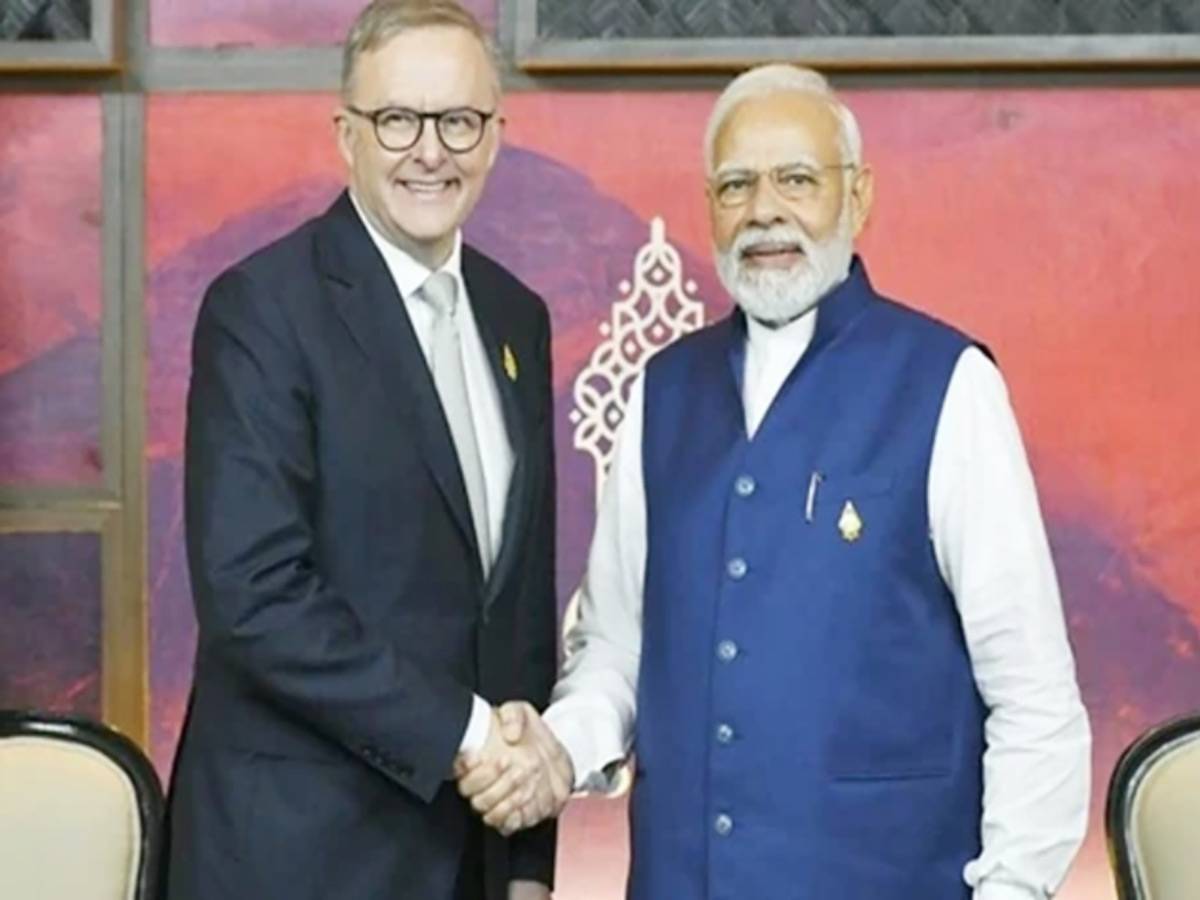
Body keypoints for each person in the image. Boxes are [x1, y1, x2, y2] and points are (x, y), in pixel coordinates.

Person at [459, 64, 1092, 900]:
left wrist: (1012, 889)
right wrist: (556, 752)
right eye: (736, 184)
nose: (765, 210)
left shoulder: (948, 383)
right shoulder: (663, 392)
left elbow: (1033, 694)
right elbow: (617, 646)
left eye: (797, 179)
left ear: (858, 198)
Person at [163, 2, 558, 899]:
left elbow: (519, 611)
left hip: (468, 859)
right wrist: (466, 736)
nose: (431, 150)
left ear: (495, 136)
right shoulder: (263, 308)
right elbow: (255, 596)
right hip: (298, 858)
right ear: (346, 134)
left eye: (458, 121)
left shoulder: (515, 317)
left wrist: (528, 856)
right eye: (397, 120)